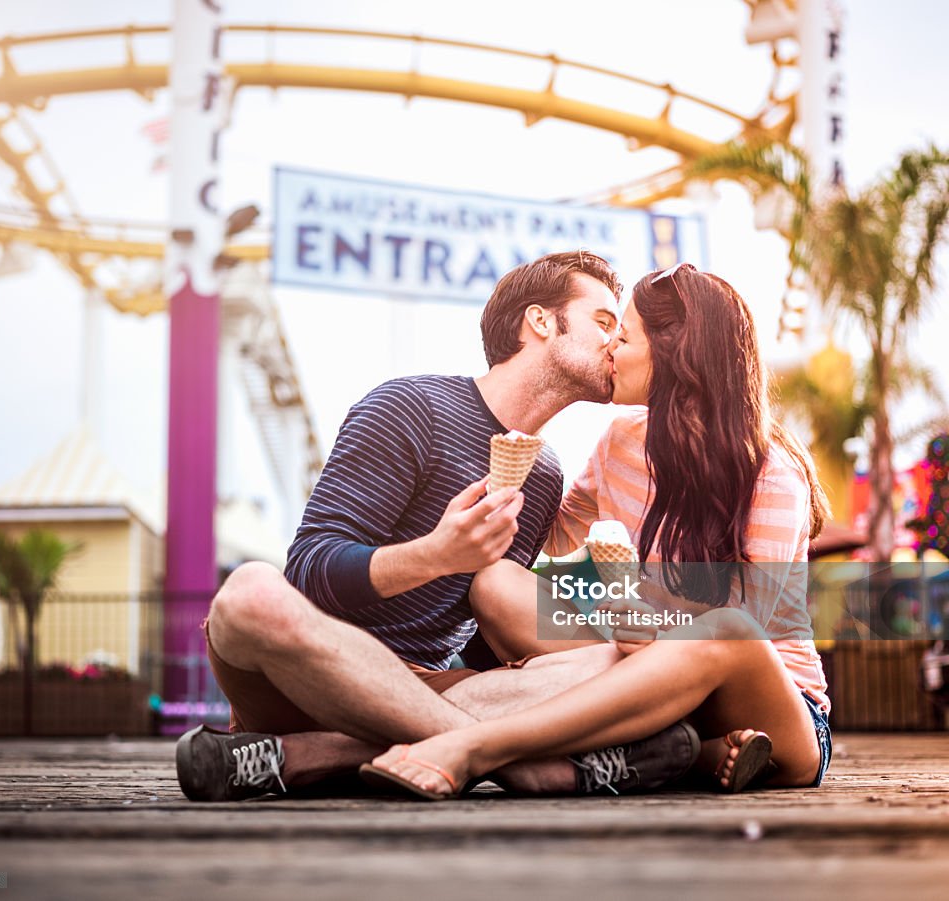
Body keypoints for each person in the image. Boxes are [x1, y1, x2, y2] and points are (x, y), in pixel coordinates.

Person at [176, 251, 699, 802]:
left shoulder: (544, 476)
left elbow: (477, 638)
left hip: (427, 686)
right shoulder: (411, 407)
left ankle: (314, 755)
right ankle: (524, 769)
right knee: (248, 594)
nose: (616, 342)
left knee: (617, 658)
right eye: (603, 322)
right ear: (542, 321)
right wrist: (435, 554)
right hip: (307, 672)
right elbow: (308, 568)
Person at [364, 262, 834, 798]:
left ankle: (478, 745)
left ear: (675, 351)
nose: (610, 347)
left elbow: (749, 619)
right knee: (495, 582)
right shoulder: (620, 442)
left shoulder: (770, 471)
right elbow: (555, 537)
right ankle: (684, 753)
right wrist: (488, 491)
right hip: (643, 668)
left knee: (726, 629)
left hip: (771, 703)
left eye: (624, 335)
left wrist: (646, 618)